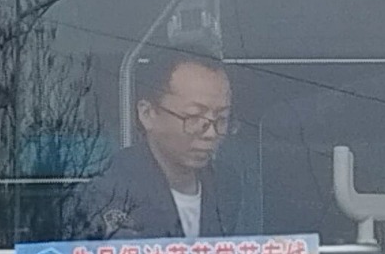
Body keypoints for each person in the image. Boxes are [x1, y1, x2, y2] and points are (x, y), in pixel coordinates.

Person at [65, 51, 257, 239]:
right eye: (194, 117)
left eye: (222, 118)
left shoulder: (225, 185)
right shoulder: (110, 190)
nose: (211, 133)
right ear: (147, 114)